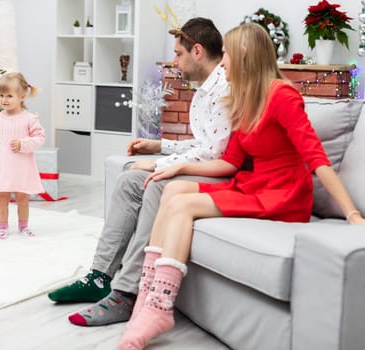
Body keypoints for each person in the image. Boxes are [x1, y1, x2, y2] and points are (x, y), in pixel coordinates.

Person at [116, 22, 365, 350]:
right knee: (172, 190)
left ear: (242, 54)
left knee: (183, 204)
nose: (222, 60)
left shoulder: (282, 95)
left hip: (284, 195)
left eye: (226, 53)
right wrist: (181, 166)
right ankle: (147, 299)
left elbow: (316, 159)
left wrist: (352, 214)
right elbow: (229, 163)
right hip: (255, 185)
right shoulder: (246, 99)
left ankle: (159, 307)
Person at [47, 17, 231, 326]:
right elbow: (203, 142)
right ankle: (98, 276)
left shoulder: (224, 91)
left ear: (197, 51)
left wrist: (159, 164)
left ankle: (127, 294)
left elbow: (214, 153)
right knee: (130, 177)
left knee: (151, 180)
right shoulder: (205, 90)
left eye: (178, 54)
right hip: (206, 164)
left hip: (220, 173)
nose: (175, 61)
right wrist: (158, 147)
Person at [0, 72, 46, 239]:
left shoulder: (30, 119)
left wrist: (23, 144)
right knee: (2, 197)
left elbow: (39, 138)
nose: (4, 99)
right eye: (1, 95)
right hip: (2, 167)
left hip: (22, 167)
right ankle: (2, 226)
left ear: (22, 96)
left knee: (22, 197)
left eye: (9, 96)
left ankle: (23, 225)